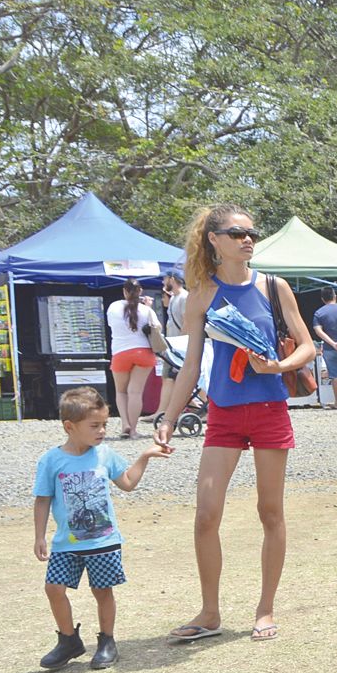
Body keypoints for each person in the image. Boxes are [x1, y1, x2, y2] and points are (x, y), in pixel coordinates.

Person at [154, 203, 317, 643]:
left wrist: (278, 365)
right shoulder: (200, 294)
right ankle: (209, 612)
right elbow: (190, 365)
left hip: (269, 409)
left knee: (270, 513)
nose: (247, 239)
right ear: (213, 239)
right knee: (206, 514)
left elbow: (308, 348)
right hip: (223, 412)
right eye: (236, 232)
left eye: (251, 233)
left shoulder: (274, 286)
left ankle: (265, 609)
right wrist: (167, 418)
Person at [33, 387, 170, 669]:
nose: (102, 431)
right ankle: (68, 640)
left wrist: (144, 457)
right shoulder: (51, 460)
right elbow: (43, 498)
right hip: (66, 543)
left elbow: (128, 483)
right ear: (69, 427)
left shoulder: (105, 454)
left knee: (103, 590)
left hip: (103, 542)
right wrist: (39, 536)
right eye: (94, 425)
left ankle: (107, 641)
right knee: (53, 588)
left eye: (105, 424)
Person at [107, 278, 166, 438]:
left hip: (120, 352)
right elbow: (157, 328)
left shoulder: (114, 307)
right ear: (140, 292)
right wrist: (147, 307)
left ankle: (124, 425)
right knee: (135, 392)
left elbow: (112, 325)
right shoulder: (146, 310)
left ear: (124, 292)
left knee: (121, 392)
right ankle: (133, 430)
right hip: (143, 352)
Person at [163, 273, 189, 339]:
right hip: (173, 342)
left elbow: (187, 323)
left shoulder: (184, 297)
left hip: (181, 343)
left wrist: (181, 341)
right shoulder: (173, 298)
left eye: (165, 279)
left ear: (172, 279)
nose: (163, 282)